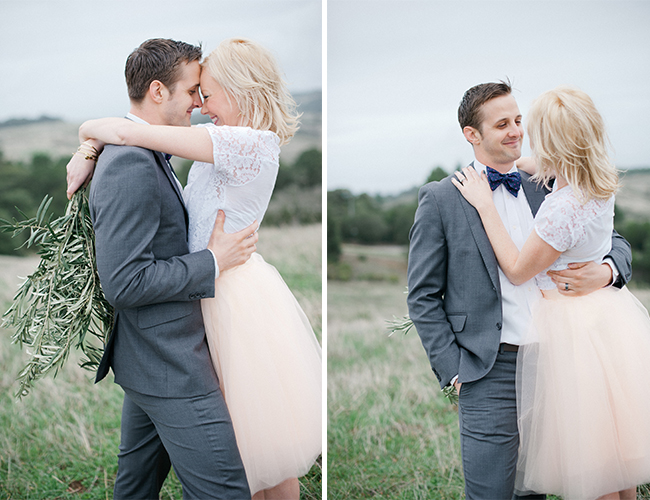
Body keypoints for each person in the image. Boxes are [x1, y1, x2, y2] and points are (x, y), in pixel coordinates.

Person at [67, 38, 322, 500]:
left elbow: (129, 132)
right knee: (246, 454)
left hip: (231, 300)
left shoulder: (250, 144)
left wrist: (89, 142)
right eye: (195, 93)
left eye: (208, 93)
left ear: (242, 91)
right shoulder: (204, 148)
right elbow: (130, 142)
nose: (201, 106)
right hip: (202, 299)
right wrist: (89, 147)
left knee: (263, 451)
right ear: (162, 91)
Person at [406, 80, 632, 500]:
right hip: (488, 367)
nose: (515, 131)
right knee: (491, 492)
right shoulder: (440, 199)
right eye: (501, 125)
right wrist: (454, 369)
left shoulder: (547, 180)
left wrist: (605, 272)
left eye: (517, 120)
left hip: (559, 360)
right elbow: (421, 295)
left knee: (537, 489)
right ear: (472, 135)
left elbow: (612, 241)